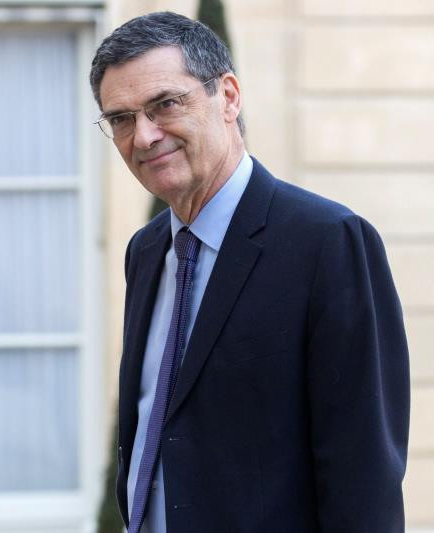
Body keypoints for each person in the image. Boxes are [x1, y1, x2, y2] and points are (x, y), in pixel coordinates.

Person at [89, 11, 410, 533]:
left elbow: (364, 480)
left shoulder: (327, 242)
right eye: (122, 119)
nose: (143, 136)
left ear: (229, 97)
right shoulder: (146, 252)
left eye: (165, 104)